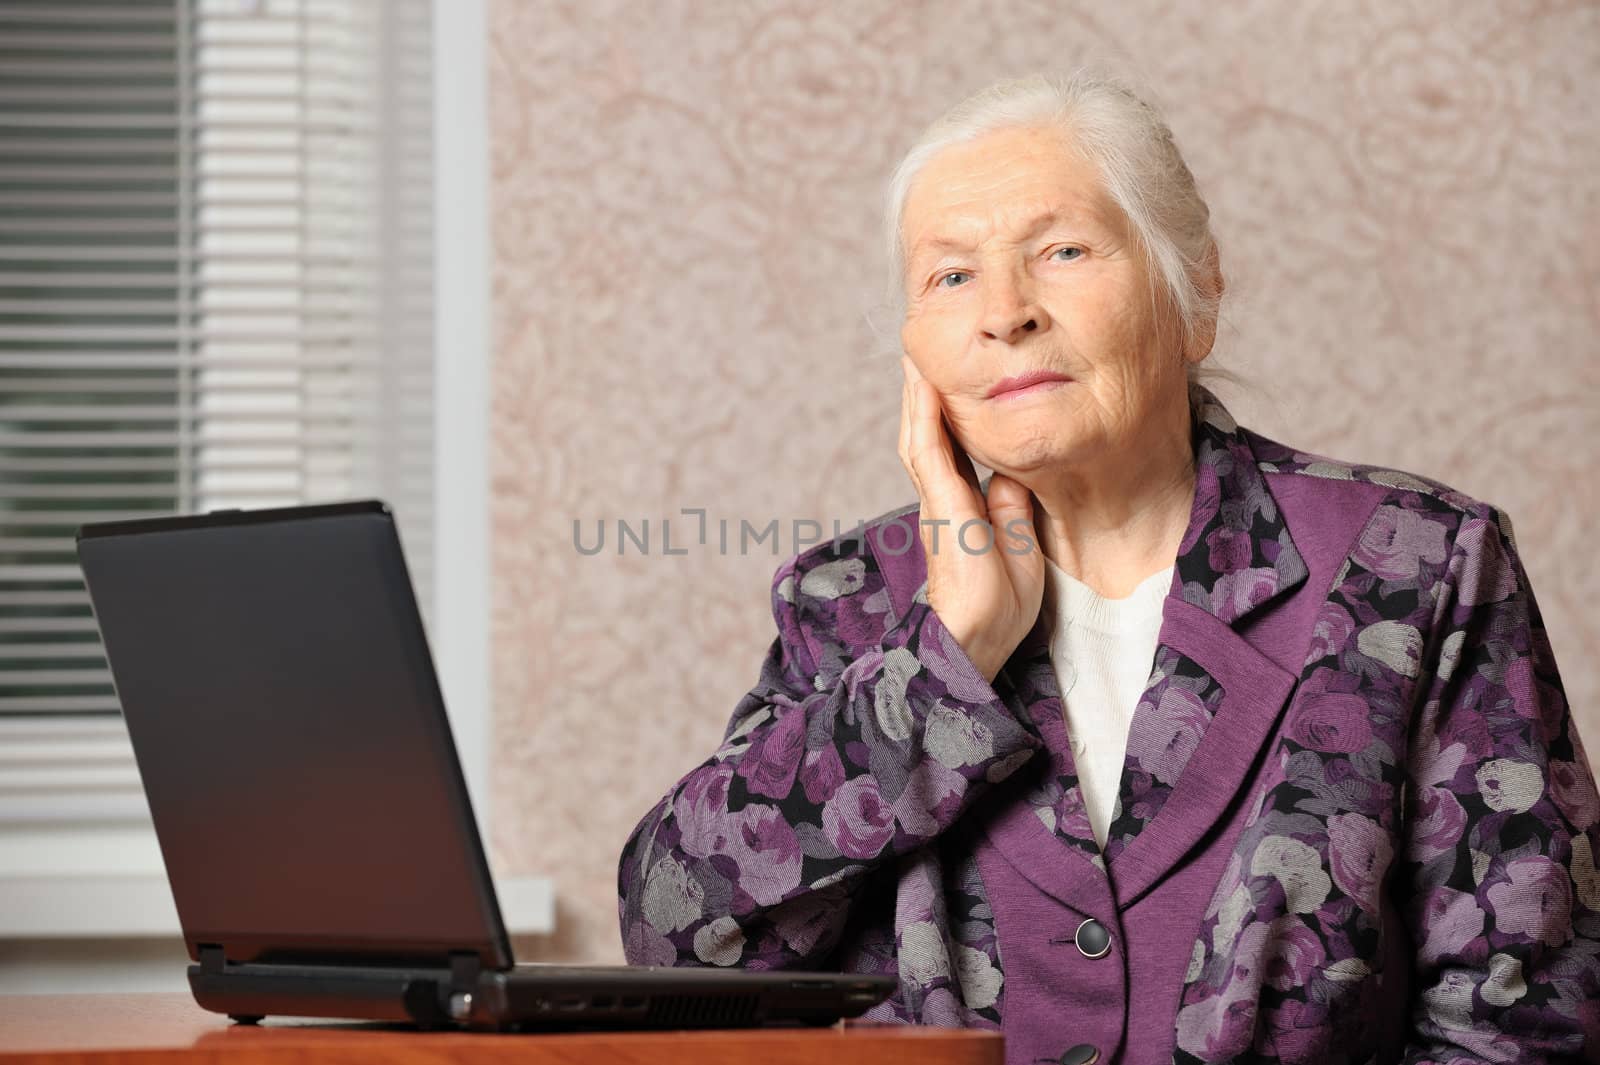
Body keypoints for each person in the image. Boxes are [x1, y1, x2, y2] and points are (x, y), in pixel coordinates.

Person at [616, 70, 1600, 1065]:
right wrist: (942, 661)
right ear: (917, 351)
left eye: (1062, 251)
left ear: (1195, 294)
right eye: (950, 275)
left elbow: (1529, 1019)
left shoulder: (1419, 561)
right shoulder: (851, 599)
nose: (1004, 312)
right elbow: (675, 935)